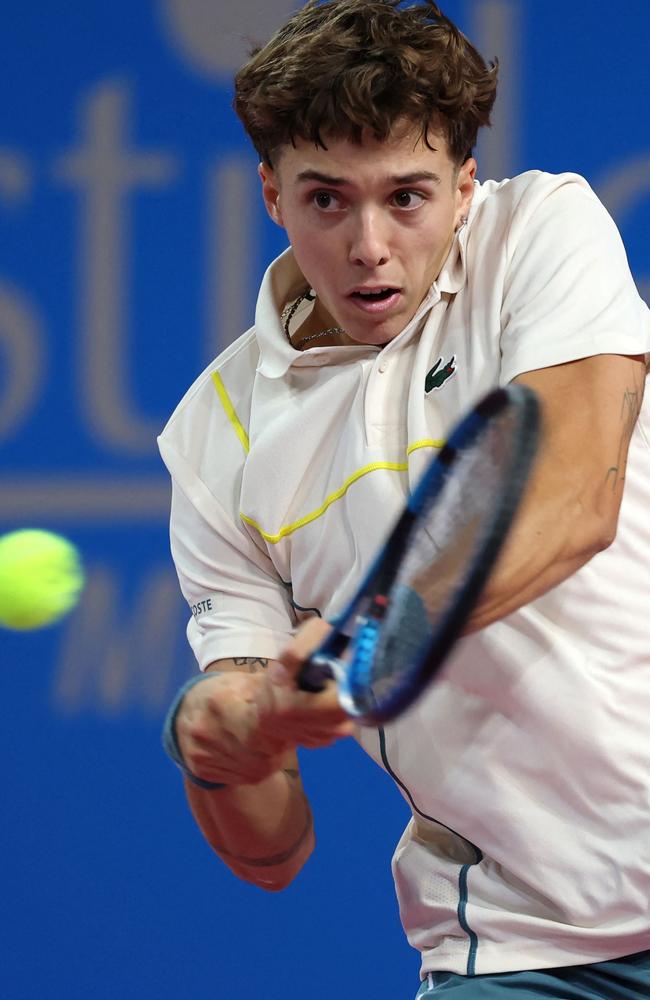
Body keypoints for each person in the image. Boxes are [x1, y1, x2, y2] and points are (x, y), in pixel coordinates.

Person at [158, 1, 650, 995]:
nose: (368, 245)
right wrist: (224, 739)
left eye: (407, 197)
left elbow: (575, 498)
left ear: (465, 187)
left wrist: (366, 646)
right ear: (270, 194)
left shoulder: (536, 232)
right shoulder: (215, 437)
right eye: (326, 200)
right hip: (522, 946)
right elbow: (271, 852)